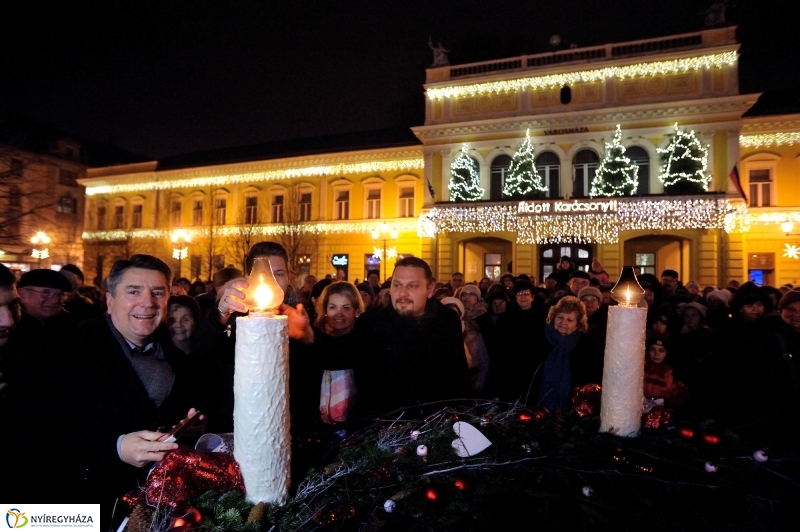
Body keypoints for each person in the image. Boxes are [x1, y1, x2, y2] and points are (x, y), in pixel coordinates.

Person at [65, 255, 208, 525]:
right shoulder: (68, 350)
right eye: (133, 292)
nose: (148, 302)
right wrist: (116, 447)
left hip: (158, 509)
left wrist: (190, 426)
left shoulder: (177, 358)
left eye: (157, 292)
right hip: (81, 510)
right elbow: (39, 435)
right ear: (110, 300)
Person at [303, 257, 470, 416]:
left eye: (412, 286)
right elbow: (340, 355)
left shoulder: (446, 320)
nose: (402, 293)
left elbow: (458, 374)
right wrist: (310, 337)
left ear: (430, 289)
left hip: (436, 425)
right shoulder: (372, 323)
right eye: (397, 285)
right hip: (383, 430)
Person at [537, 296, 598, 412]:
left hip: (574, 411)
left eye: (570, 320)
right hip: (539, 408)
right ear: (553, 318)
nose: (563, 322)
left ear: (578, 324)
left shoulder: (586, 347)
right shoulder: (540, 341)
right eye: (560, 317)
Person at [443, 295, 490, 396]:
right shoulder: (436, 336)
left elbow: (484, 363)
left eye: (455, 313)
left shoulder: (473, 336)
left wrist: (478, 385)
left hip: (472, 385)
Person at [643, 335, 688, 408]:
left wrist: (668, 402)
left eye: (661, 351)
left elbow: (681, 397)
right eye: (652, 350)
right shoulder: (640, 370)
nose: (656, 354)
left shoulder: (674, 373)